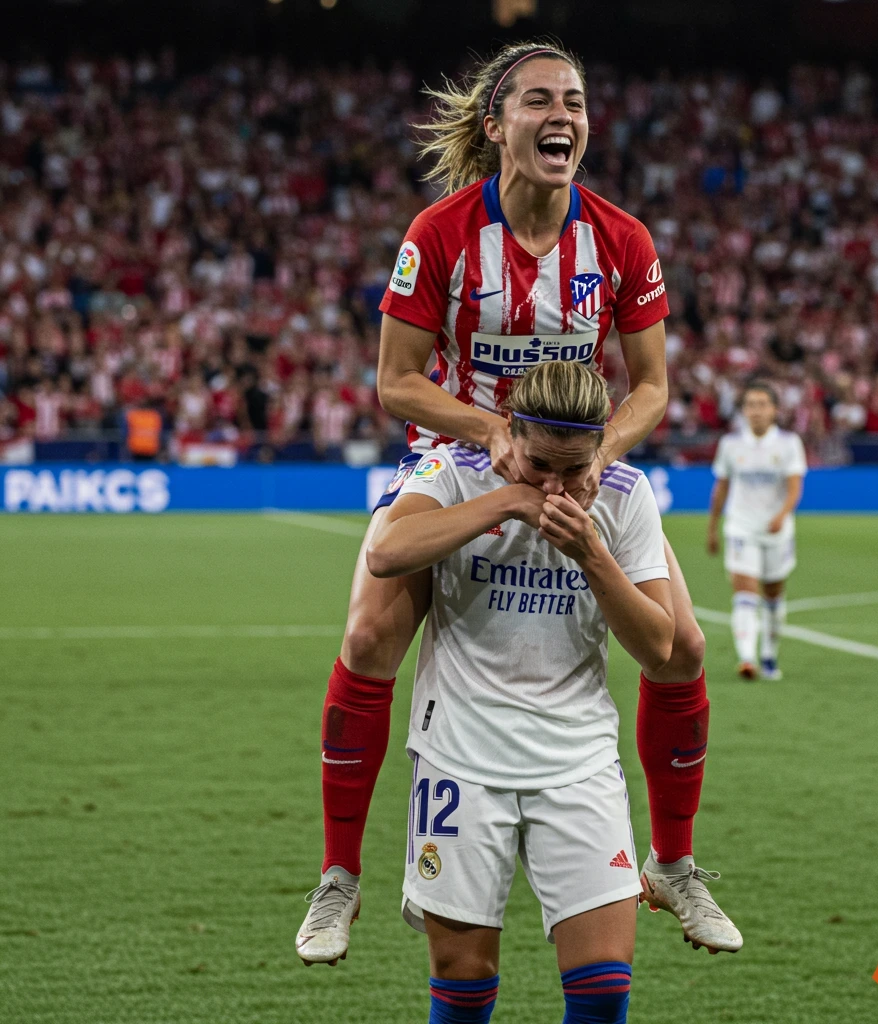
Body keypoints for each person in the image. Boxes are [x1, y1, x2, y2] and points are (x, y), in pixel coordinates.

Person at [296, 40, 740, 966]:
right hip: (454, 453)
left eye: (574, 101)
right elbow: (396, 383)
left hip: (581, 453)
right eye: (540, 101)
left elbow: (651, 387)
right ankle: (339, 878)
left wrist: (595, 457)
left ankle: (675, 862)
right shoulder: (441, 232)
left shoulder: (622, 239)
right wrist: (490, 435)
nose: (563, 117)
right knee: (370, 631)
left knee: (687, 647)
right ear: (498, 126)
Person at [366, 361, 673, 1024]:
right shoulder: (452, 470)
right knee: (465, 985)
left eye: (574, 468)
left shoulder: (625, 494)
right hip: (460, 759)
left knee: (602, 991)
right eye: (539, 465)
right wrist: (508, 501)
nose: (556, 487)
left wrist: (593, 555)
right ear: (512, 433)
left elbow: (659, 646)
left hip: (579, 761)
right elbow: (386, 552)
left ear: (600, 449)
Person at [707, 382, 806, 680]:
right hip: (741, 527)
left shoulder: (789, 443)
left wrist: (782, 515)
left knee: (774, 594)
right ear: (744, 411)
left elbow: (794, 486)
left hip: (776, 531)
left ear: (775, 409)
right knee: (745, 592)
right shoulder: (731, 444)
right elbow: (721, 487)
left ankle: (769, 655)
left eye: (763, 404)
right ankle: (747, 658)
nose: (757, 411)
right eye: (751, 404)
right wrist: (712, 527)